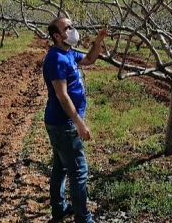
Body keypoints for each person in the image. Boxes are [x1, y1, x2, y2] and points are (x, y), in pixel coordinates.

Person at [42, 17, 107, 223]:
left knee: (61, 167)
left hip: (60, 124)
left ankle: (59, 209)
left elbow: (89, 59)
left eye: (72, 26)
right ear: (57, 35)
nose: (72, 30)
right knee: (78, 171)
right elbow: (62, 95)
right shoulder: (56, 59)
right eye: (67, 28)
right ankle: (83, 218)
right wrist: (79, 122)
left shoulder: (67, 53)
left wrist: (98, 40)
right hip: (64, 125)